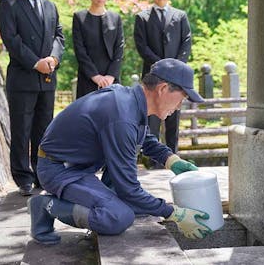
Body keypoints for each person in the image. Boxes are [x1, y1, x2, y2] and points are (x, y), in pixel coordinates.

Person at [27, 58, 213, 245]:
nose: (180, 106)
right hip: (59, 170)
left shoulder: (130, 101)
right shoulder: (122, 116)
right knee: (118, 217)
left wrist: (171, 160)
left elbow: (144, 138)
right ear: (163, 89)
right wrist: (175, 214)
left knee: (139, 206)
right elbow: (129, 188)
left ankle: (97, 197)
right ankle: (46, 206)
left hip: (77, 166)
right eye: (181, 98)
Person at [0, 0, 65, 196]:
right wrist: (36, 62)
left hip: (47, 77)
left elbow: (59, 36)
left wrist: (54, 59)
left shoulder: (50, 6)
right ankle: (23, 177)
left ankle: (41, 174)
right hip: (23, 77)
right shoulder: (9, 4)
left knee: (44, 130)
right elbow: (12, 41)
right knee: (21, 129)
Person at [134, 0, 192, 159]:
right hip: (153, 74)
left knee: (174, 113)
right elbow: (142, 46)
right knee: (151, 113)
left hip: (177, 75)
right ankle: (151, 157)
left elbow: (186, 42)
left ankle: (172, 153)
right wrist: (161, 66)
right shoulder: (142, 17)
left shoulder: (180, 16)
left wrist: (176, 66)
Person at [72, 0, 124, 99]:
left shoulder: (115, 18)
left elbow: (119, 49)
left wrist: (110, 76)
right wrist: (96, 77)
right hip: (88, 78)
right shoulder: (80, 18)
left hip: (111, 80)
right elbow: (80, 51)